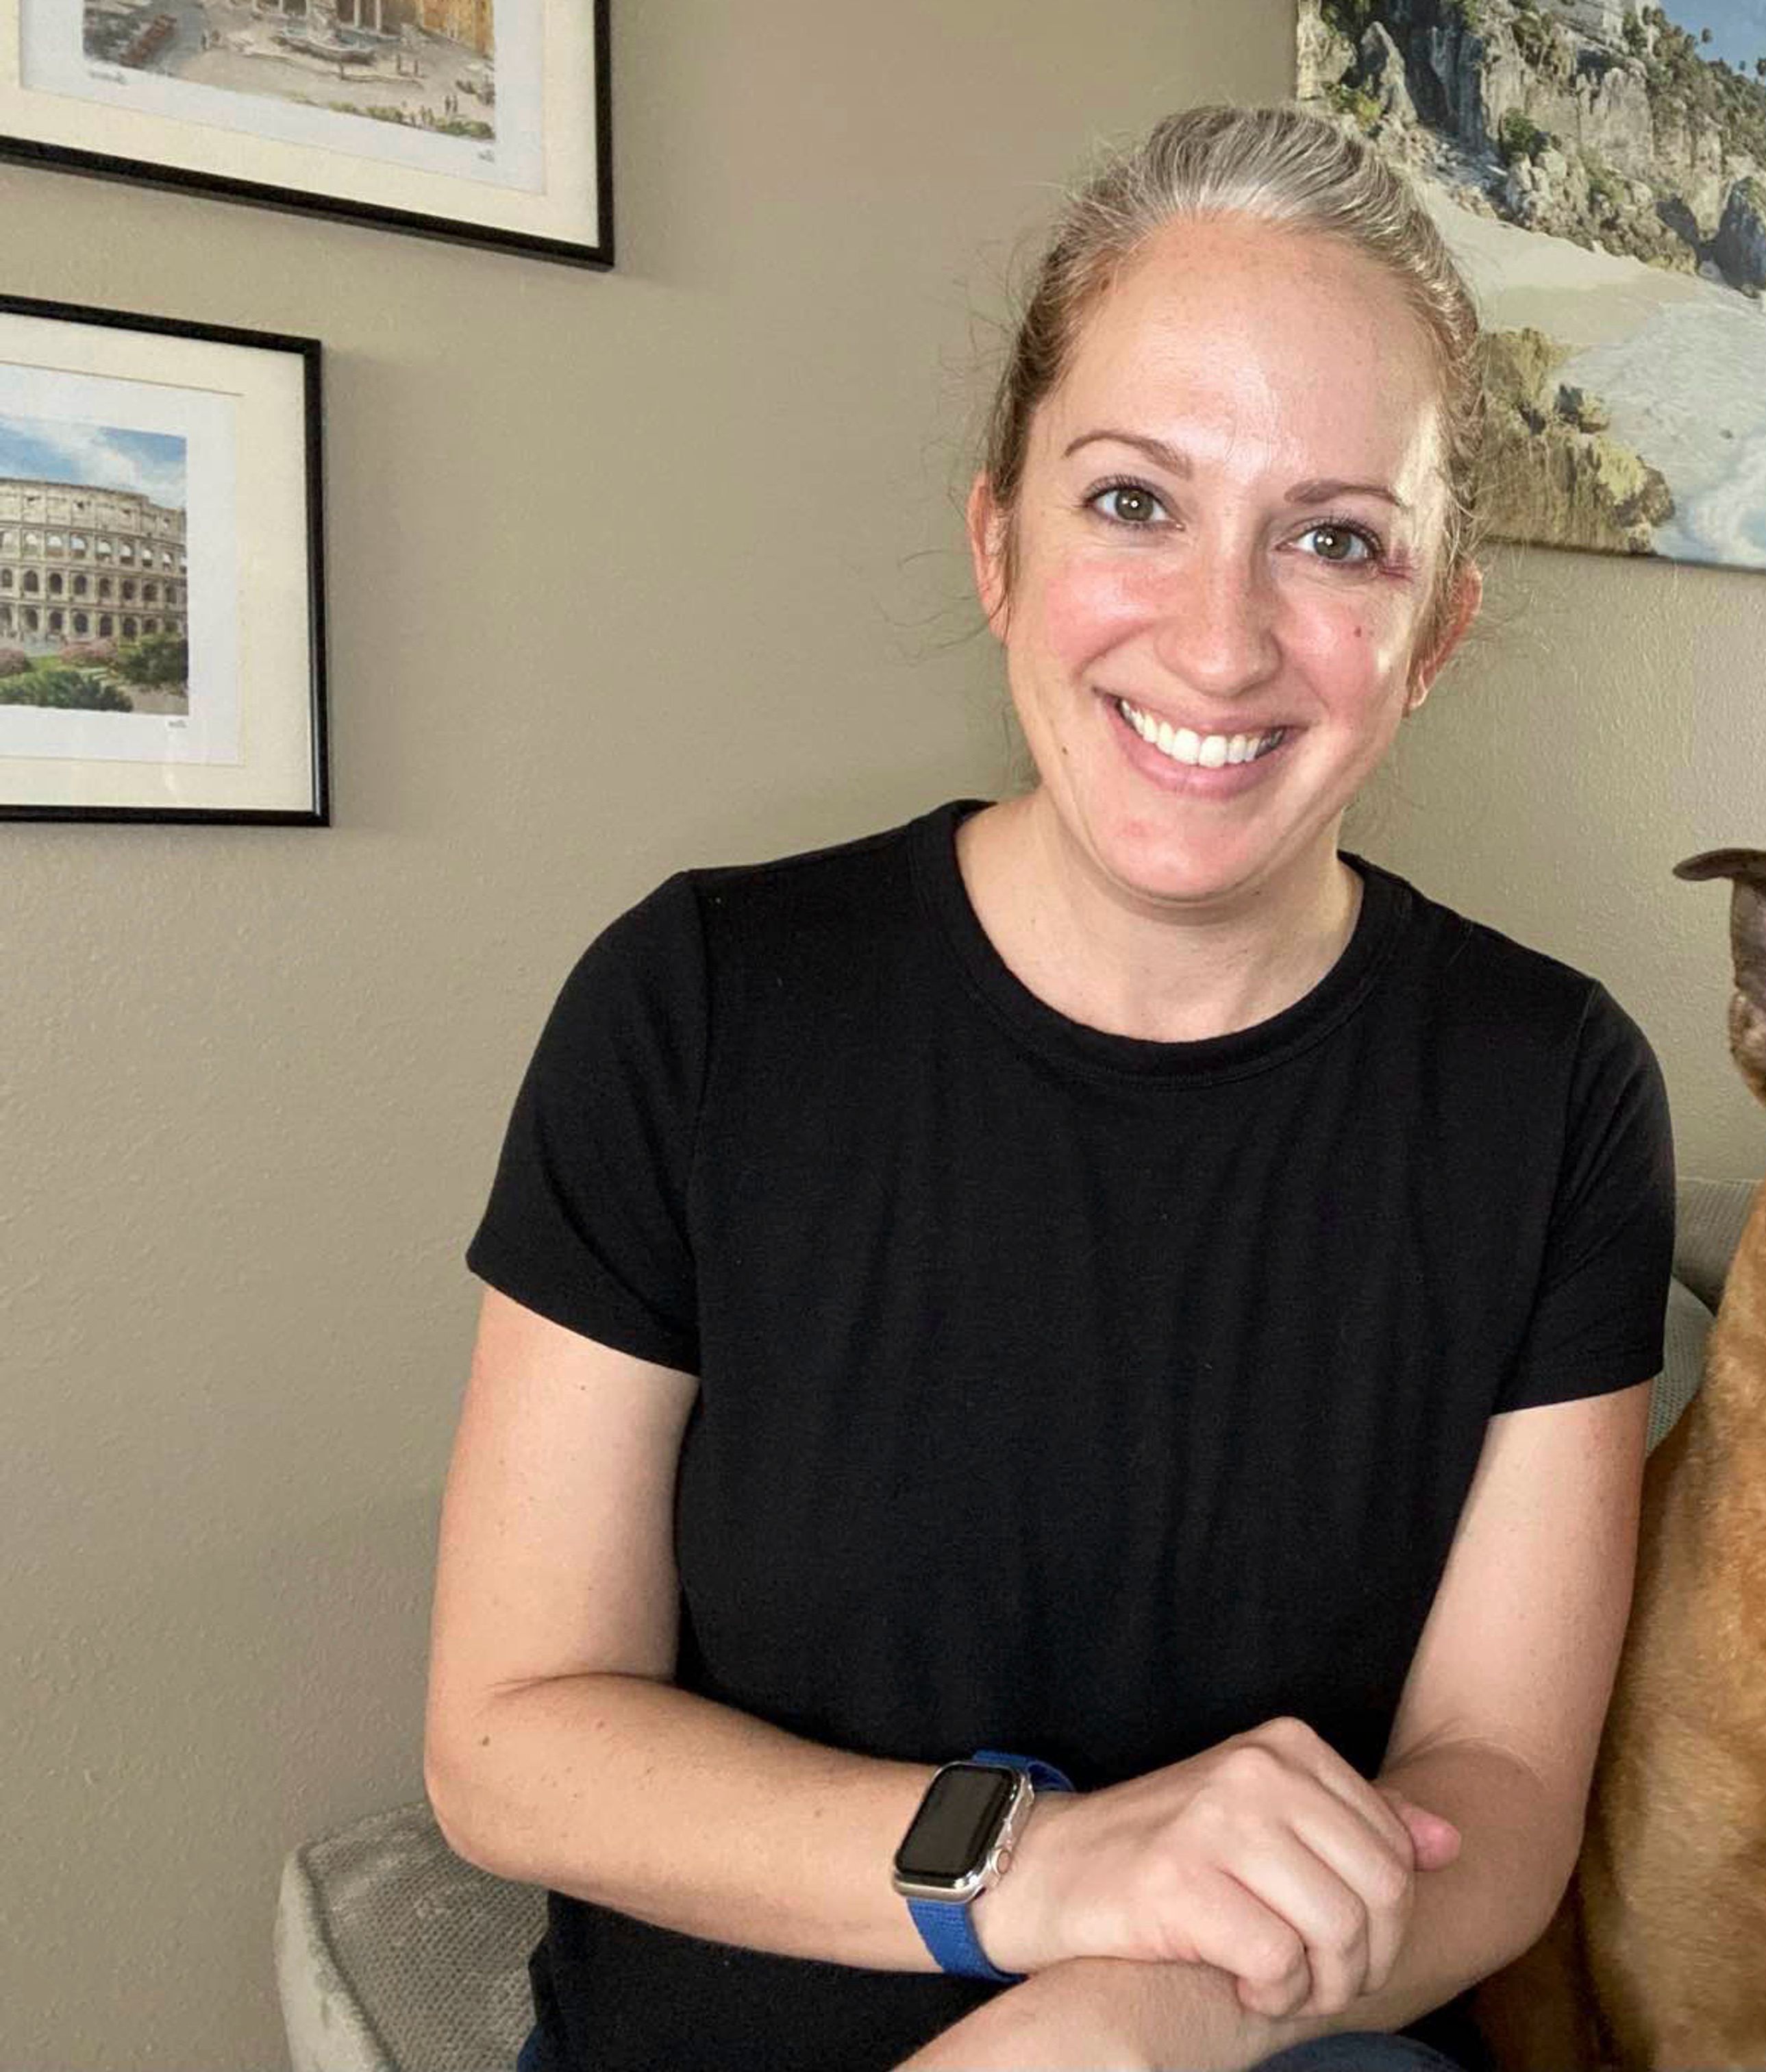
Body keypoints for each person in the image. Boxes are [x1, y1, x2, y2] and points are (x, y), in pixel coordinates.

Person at [423, 102, 1676, 2072]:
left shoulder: (1553, 1091)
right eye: (1132, 501)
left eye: (1336, 539)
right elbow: (510, 1738)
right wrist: (1042, 1869)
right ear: (997, 542)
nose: (1222, 635)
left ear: (1435, 630)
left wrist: (1137, 2022)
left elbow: (1497, 1798)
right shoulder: (701, 1001)